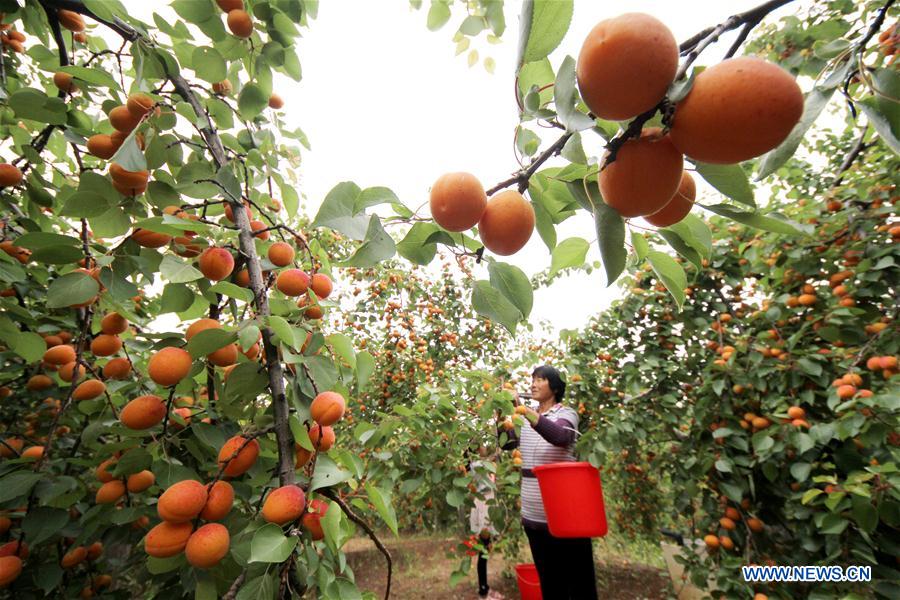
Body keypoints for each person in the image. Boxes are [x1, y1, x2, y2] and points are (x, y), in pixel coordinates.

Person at [500, 365, 597, 600]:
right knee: (550, 584)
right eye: (532, 379)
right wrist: (501, 412)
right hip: (534, 517)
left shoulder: (567, 413)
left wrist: (522, 409)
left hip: (566, 518)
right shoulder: (524, 418)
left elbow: (560, 436)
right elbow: (507, 444)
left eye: (540, 379)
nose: (533, 384)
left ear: (554, 387)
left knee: (579, 586)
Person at [466, 445, 503, 599]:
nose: (484, 446)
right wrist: (497, 453)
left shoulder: (484, 465)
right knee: (483, 549)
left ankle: (485, 588)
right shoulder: (477, 465)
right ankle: (483, 591)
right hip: (483, 506)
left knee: (485, 548)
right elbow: (487, 464)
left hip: (488, 505)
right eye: (481, 445)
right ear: (476, 450)